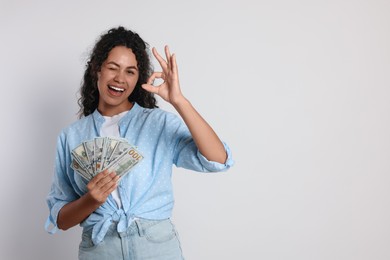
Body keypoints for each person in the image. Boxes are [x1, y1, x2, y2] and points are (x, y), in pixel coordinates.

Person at [45, 26, 233, 260]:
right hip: (100, 249)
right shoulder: (71, 136)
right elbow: (61, 220)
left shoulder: (158, 123)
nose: (120, 79)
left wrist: (179, 101)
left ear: (138, 78)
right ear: (97, 69)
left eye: (130, 72)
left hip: (156, 246)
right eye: (112, 68)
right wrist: (91, 200)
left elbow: (218, 160)